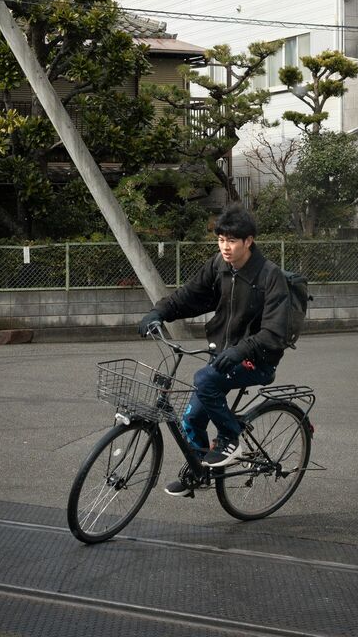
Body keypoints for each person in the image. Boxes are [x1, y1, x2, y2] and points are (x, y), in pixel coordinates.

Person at [138, 204, 292, 497]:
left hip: (257, 360)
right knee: (192, 419)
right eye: (221, 239)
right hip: (223, 354)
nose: (225, 247)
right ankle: (199, 470)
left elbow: (274, 332)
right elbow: (189, 295)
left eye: (232, 241)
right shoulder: (219, 266)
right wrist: (158, 312)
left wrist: (240, 351)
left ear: (249, 241)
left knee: (204, 380)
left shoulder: (271, 276)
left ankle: (230, 439)